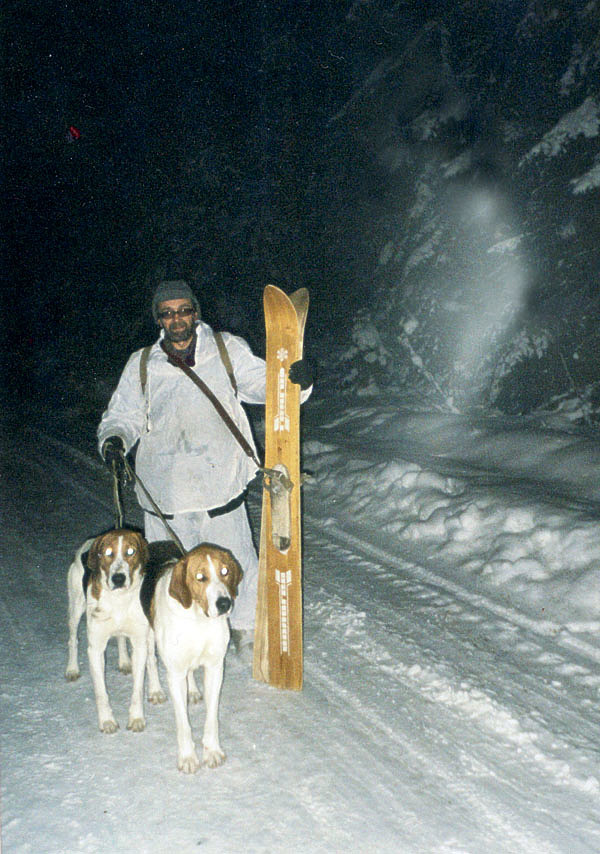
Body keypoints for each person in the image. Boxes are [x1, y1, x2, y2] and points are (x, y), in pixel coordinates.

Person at [97, 280, 312, 653]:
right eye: (167, 313)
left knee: (233, 567)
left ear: (195, 313)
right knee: (172, 581)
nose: (176, 319)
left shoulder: (226, 350)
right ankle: (176, 645)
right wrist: (114, 439)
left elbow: (270, 387)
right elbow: (123, 415)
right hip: (165, 495)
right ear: (159, 320)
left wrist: (300, 381)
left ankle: (246, 638)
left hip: (220, 490)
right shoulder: (143, 364)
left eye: (183, 310)